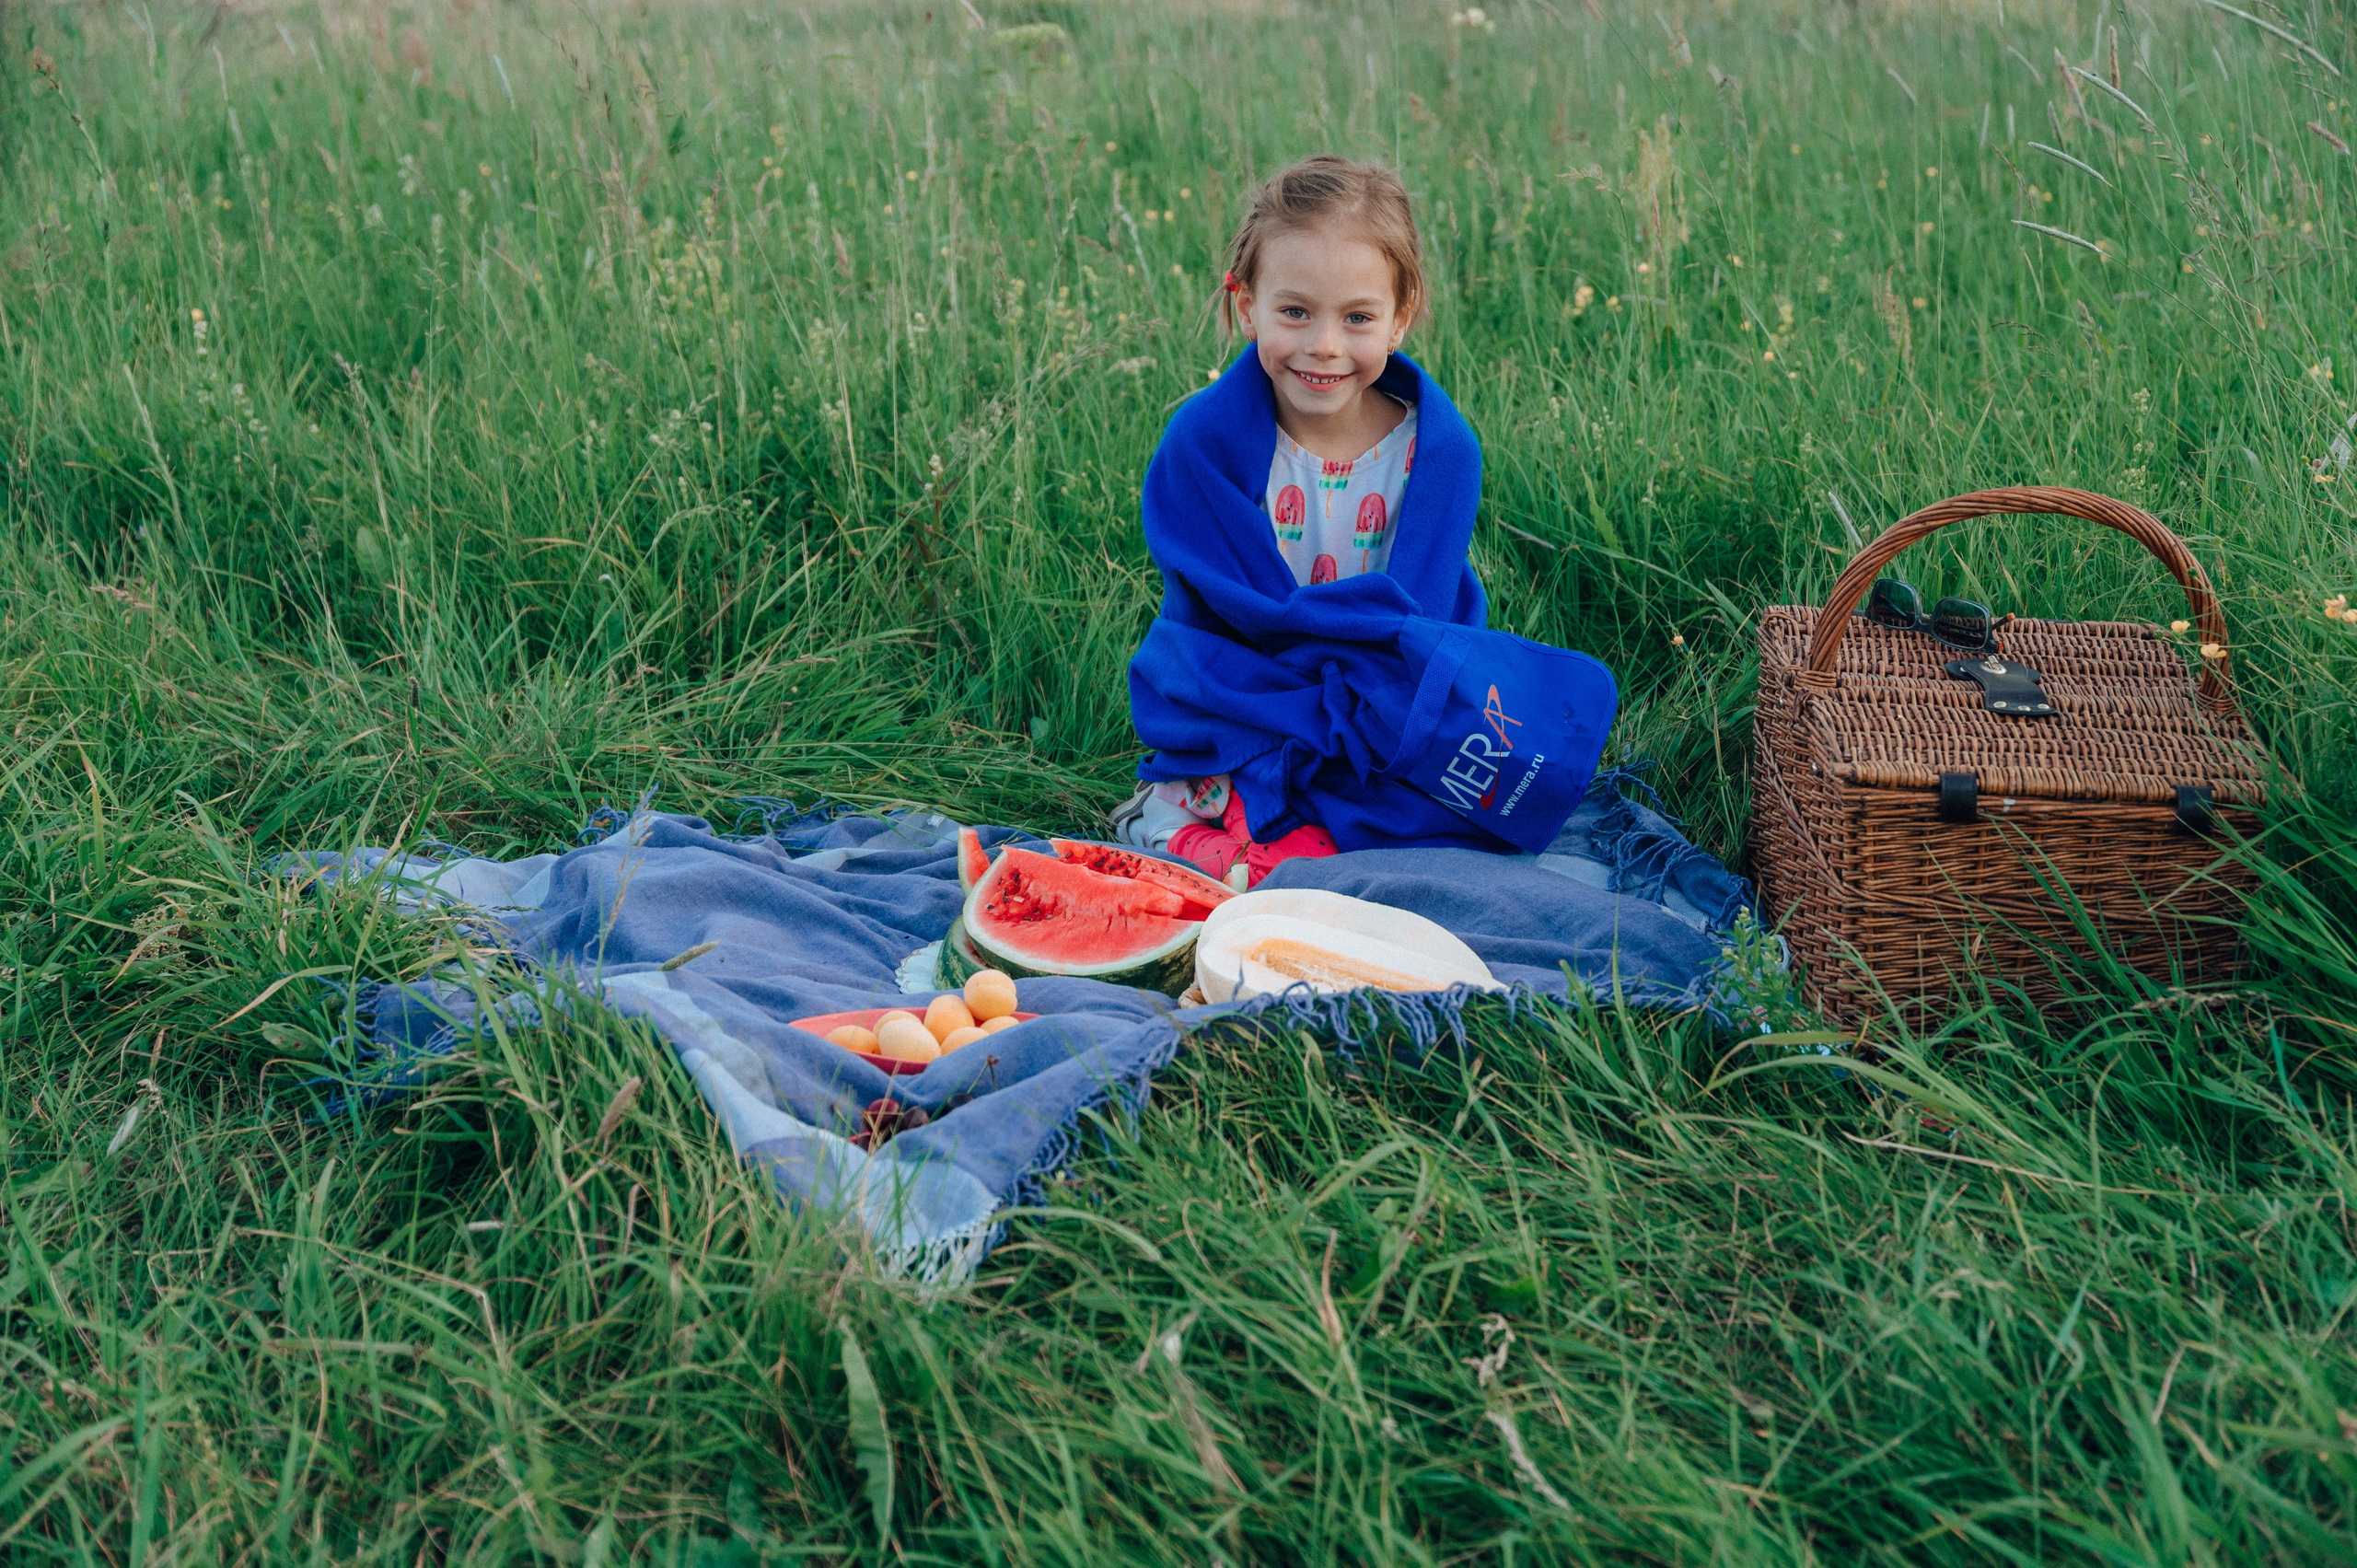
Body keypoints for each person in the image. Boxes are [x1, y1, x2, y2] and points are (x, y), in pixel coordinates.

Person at [1119, 156, 1616, 887]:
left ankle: (1273, 834)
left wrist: (1362, 702)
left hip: (1378, 687)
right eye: (1295, 312)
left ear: (1399, 319)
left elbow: (1424, 619)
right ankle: (1197, 824)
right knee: (1219, 763)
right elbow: (1214, 615)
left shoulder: (1437, 454)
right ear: (1245, 304)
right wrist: (1304, 702)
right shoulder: (1202, 444)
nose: (1324, 345)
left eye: (1357, 318)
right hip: (1247, 685)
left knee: (1439, 786)